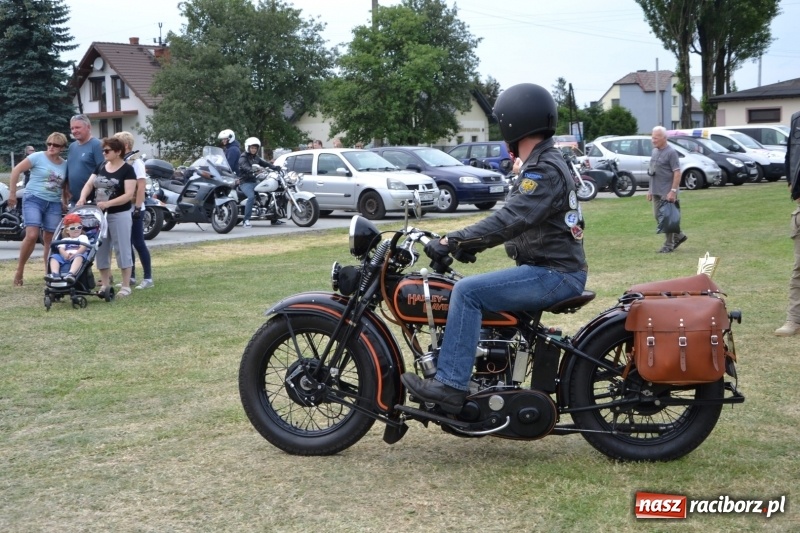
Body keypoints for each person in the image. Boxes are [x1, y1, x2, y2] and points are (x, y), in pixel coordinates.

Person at [400, 83, 588, 414]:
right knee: (470, 290)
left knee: (467, 292)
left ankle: (450, 385)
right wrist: (469, 244)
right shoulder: (543, 162)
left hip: (555, 274)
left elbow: (510, 220)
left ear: (515, 123)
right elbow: (516, 221)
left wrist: (452, 241)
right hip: (551, 269)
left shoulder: (543, 168)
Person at [76, 137, 137, 298]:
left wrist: (108, 203)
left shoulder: (127, 170)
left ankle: (125, 285)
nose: (104, 153)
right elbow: (89, 184)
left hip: (119, 214)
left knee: (122, 248)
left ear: (118, 152)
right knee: (101, 248)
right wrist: (82, 198)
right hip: (100, 214)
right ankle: (105, 284)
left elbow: (129, 195)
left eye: (107, 150)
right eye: (103, 150)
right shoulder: (101, 165)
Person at [7, 133, 70, 286]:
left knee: (50, 239)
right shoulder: (37, 157)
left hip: (53, 203)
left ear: (62, 147)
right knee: (32, 235)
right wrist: (12, 193)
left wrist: (64, 201)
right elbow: (16, 170)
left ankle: (49, 272)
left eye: (55, 145)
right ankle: (20, 269)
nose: (51, 147)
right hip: (33, 199)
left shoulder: (65, 164)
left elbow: (64, 185)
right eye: (49, 144)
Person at [114, 131, 154, 289]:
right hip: (124, 209)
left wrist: (138, 207)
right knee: (126, 243)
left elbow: (141, 187)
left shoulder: (136, 163)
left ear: (125, 145)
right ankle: (131, 276)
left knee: (138, 242)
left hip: (135, 208)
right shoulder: (121, 162)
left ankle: (148, 278)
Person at [775, 110, 800, 336]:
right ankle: (794, 320)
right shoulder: (797, 119)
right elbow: (790, 153)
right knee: (799, 269)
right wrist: (792, 184)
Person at [647, 126, 687, 253]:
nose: (653, 140)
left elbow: (677, 173)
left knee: (667, 218)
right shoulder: (654, 151)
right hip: (656, 190)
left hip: (667, 191)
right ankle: (679, 235)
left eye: (656, 138)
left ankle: (668, 245)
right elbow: (652, 171)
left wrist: (673, 191)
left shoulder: (671, 152)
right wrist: (649, 190)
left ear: (664, 138)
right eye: (652, 137)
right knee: (657, 216)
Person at [237, 137, 283, 227]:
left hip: (255, 181)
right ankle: (246, 220)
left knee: (270, 193)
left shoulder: (256, 158)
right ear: (248, 147)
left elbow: (265, 164)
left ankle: (274, 219)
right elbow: (245, 166)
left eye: (255, 148)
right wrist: (252, 170)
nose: (254, 149)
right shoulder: (243, 157)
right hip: (245, 182)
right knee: (251, 197)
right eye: (252, 148)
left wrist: (275, 167)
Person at [65, 114, 104, 205]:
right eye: (72, 128)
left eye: (77, 127)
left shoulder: (97, 145)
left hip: (92, 201)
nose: (74, 131)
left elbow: (102, 172)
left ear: (88, 127)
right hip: (74, 201)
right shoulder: (72, 147)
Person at [45, 213, 90, 284]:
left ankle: (71, 274)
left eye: (79, 227)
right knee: (54, 257)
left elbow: (83, 247)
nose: (76, 229)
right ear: (67, 230)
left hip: (77, 255)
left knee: (79, 257)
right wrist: (65, 254)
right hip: (65, 256)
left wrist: (75, 254)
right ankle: (55, 274)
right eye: (72, 228)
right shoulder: (64, 240)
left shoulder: (82, 237)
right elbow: (61, 248)